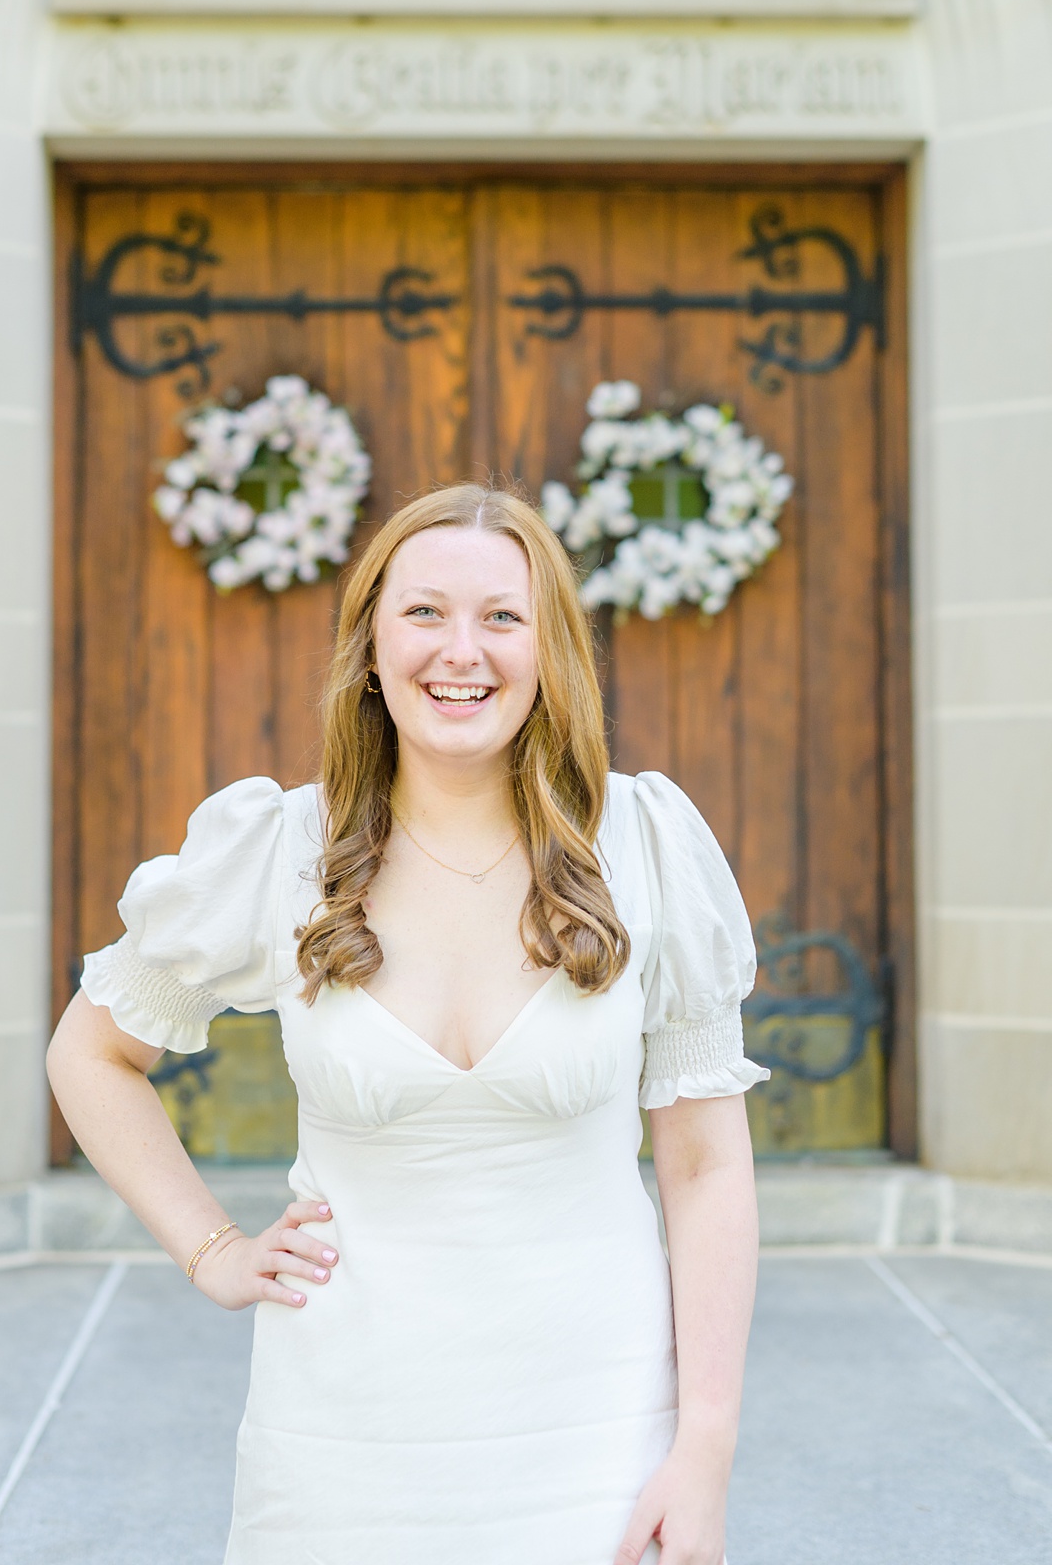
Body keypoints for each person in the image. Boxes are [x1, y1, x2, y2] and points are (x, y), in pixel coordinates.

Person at [47, 483, 765, 1565]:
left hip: (597, 1421)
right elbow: (92, 1053)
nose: (460, 651)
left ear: (549, 646)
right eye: (424, 612)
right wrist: (214, 1250)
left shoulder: (646, 842)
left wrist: (703, 1445)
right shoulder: (283, 848)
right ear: (371, 646)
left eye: (501, 617)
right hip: (342, 1434)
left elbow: (707, 1166)